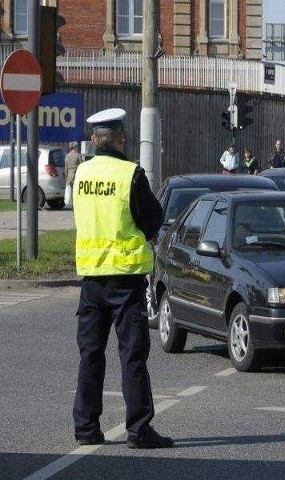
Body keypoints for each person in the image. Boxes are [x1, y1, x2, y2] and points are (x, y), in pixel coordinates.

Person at [72, 107, 173, 449]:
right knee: (132, 355)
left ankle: (86, 428)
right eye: (122, 134)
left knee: (90, 355)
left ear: (94, 140)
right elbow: (152, 219)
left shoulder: (82, 174)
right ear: (116, 138)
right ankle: (139, 429)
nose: (126, 138)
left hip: (90, 279)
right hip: (125, 279)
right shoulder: (131, 174)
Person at [64, 141, 82, 208]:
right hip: (76, 176)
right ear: (75, 147)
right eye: (77, 147)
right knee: (76, 191)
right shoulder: (78, 155)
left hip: (69, 176)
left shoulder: (67, 156)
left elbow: (66, 168)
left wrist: (66, 177)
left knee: (70, 191)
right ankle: (75, 205)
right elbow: (81, 166)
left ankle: (72, 205)